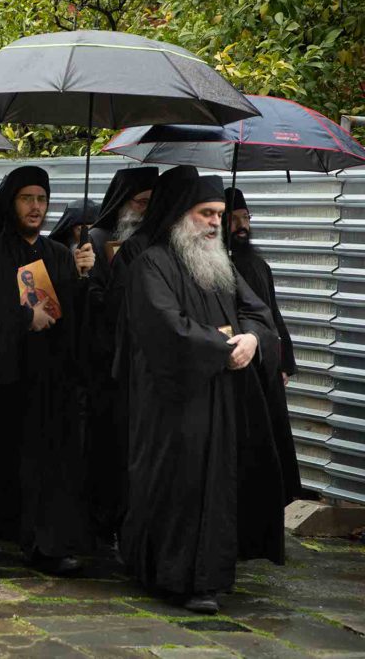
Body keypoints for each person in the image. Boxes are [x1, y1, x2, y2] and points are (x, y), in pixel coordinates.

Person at [121, 174, 285, 615]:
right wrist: (222, 347)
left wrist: (251, 339)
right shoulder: (152, 263)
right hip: (173, 400)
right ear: (180, 215)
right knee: (179, 483)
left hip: (222, 396)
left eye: (218, 215)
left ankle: (208, 578)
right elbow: (166, 327)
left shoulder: (220, 263)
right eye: (206, 213)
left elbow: (257, 311)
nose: (216, 223)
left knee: (217, 486)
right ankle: (170, 575)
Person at [0, 166, 89, 574]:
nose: (36, 207)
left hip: (48, 378)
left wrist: (83, 277)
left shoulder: (58, 254)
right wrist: (24, 318)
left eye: (42, 199)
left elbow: (71, 317)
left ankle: (44, 542)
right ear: (11, 202)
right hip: (0, 375)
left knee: (45, 463)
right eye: (27, 199)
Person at [228, 187, 302, 504]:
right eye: (233, 219)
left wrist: (285, 362)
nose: (242, 226)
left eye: (245, 218)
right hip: (240, 365)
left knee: (273, 434)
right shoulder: (219, 267)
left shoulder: (258, 264)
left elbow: (273, 315)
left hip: (267, 363)